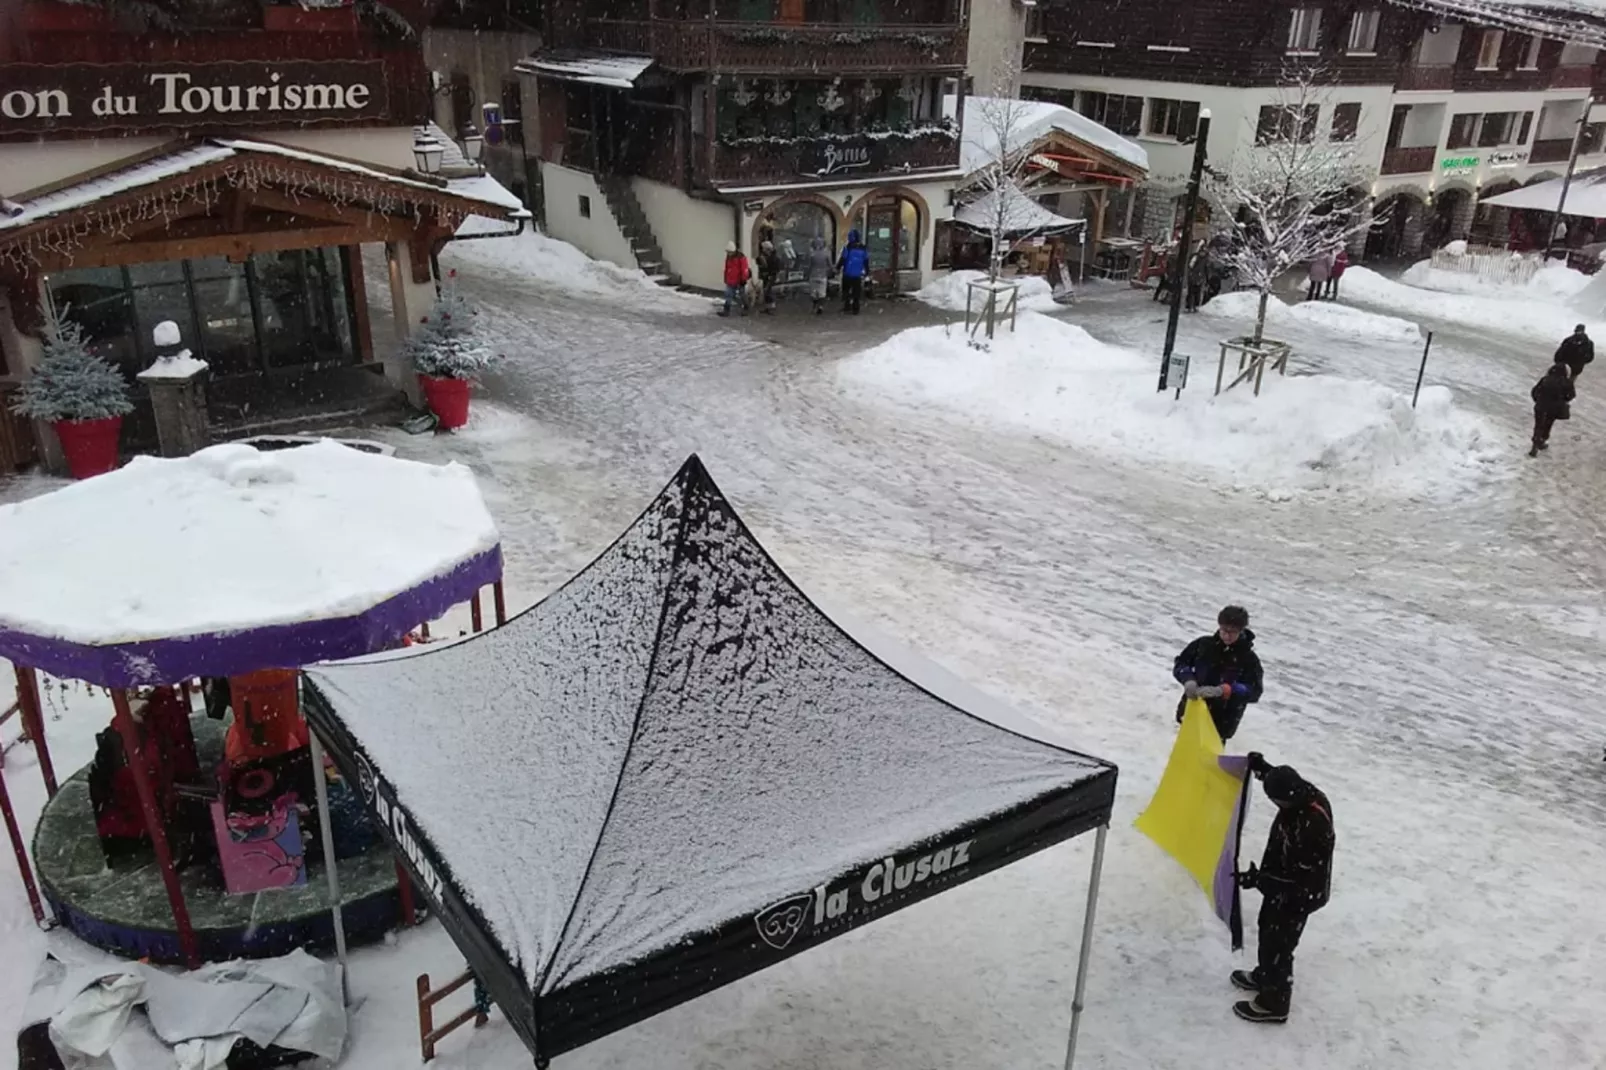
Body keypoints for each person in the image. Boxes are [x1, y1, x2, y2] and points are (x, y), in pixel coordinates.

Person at [1232, 759, 1335, 1024]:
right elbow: (1282, 781)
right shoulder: (1301, 792)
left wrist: (1259, 880)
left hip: (1299, 895)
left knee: (1279, 945)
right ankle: (1266, 977)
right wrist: (1263, 768)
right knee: (1267, 928)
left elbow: (1299, 880)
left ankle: (1274, 1004)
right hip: (1283, 885)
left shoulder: (1313, 824)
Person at [1173, 605, 1263, 742]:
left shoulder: (1249, 659)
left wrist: (1228, 690)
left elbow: (1255, 691)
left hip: (1221, 723)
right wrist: (1188, 679)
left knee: (1206, 761)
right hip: (1190, 712)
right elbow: (1181, 663)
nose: (1226, 635)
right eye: (1224, 630)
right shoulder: (1203, 645)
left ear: (1241, 630)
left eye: (1232, 632)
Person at [1529, 359, 1576, 457]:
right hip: (1554, 408)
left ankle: (1535, 442)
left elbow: (1535, 391)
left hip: (1541, 406)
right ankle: (1542, 440)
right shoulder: (1567, 382)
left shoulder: (1546, 379)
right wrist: (1563, 400)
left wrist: (1538, 400)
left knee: (1538, 425)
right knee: (1548, 424)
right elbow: (1571, 395)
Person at [838, 229, 869, 314]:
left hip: (847, 273)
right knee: (856, 293)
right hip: (857, 274)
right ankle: (856, 308)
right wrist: (867, 272)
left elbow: (843, 259)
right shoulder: (863, 248)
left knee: (846, 291)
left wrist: (837, 268)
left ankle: (847, 306)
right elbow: (866, 260)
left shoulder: (848, 247)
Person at [719, 242, 750, 317]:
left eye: (729, 252)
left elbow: (744, 269)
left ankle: (746, 307)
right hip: (731, 280)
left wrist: (743, 279)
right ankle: (726, 310)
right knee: (728, 295)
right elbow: (727, 268)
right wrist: (726, 278)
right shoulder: (728, 257)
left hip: (739, 280)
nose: (728, 253)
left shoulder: (741, 257)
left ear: (733, 251)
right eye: (727, 252)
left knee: (742, 295)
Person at [805, 236, 833, 315]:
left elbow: (809, 266)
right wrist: (832, 270)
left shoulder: (812, 254)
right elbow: (830, 265)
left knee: (813, 293)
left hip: (813, 275)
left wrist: (807, 274)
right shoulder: (826, 254)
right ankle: (820, 306)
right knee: (822, 293)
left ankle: (814, 304)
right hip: (823, 275)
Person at [756, 240, 781, 314]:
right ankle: (768, 307)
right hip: (766, 276)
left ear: (768, 249)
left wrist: (771, 274)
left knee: (768, 291)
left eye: (764, 248)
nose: (763, 250)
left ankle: (772, 307)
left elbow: (776, 268)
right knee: (766, 291)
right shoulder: (766, 256)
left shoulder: (774, 258)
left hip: (771, 276)